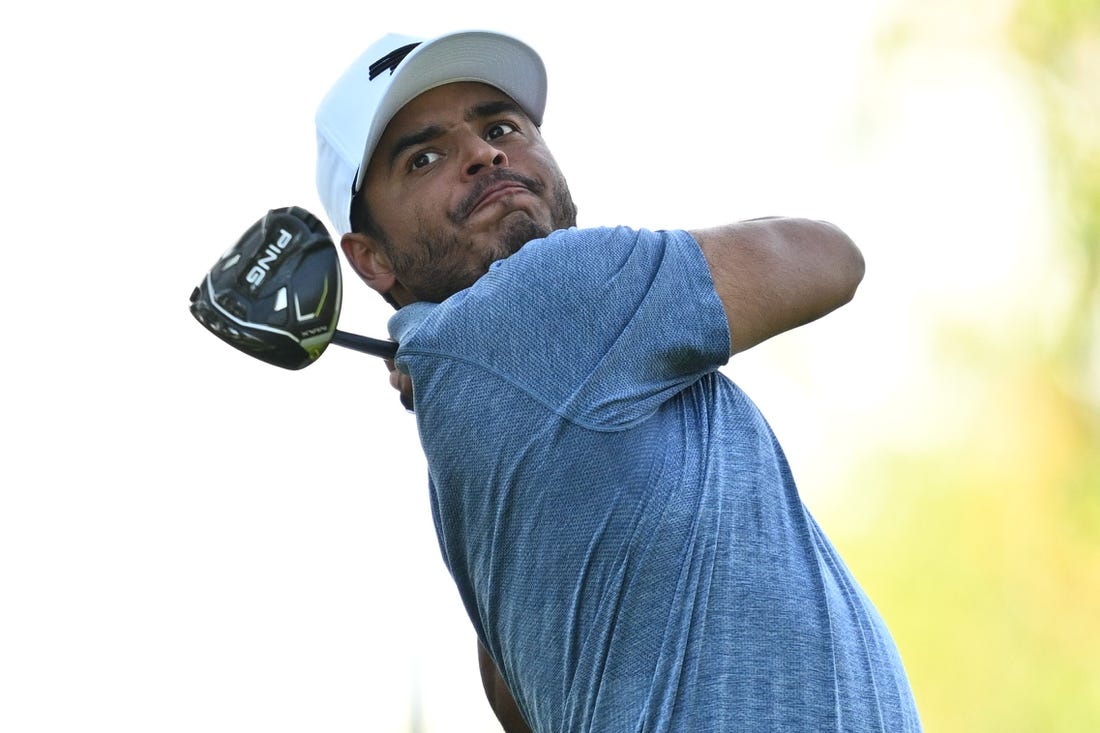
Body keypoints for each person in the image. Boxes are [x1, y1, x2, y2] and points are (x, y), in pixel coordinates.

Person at [314, 30, 922, 733]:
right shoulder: (558, 290)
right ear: (371, 260)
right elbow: (828, 257)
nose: (483, 153)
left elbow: (521, 701)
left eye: (501, 126)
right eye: (424, 157)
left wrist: (469, 376)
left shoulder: (462, 431)